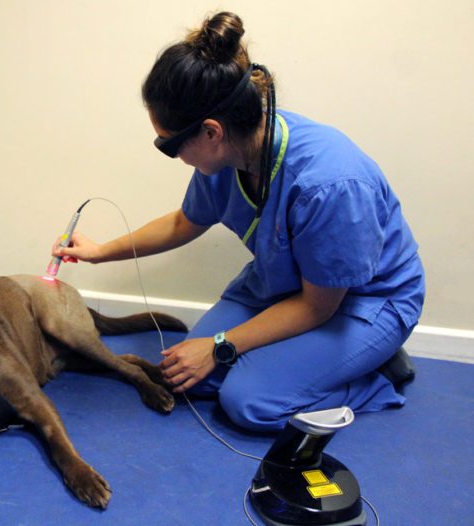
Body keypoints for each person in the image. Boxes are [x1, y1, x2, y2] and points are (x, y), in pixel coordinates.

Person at [51, 11, 425, 431]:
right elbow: (183, 223)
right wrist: (100, 252)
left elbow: (319, 306)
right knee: (188, 378)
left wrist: (220, 346)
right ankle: (302, 366)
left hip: (362, 302)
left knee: (248, 402)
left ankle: (373, 375)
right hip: (285, 286)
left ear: (211, 132)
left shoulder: (330, 183)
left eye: (168, 145)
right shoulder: (229, 154)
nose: (173, 156)